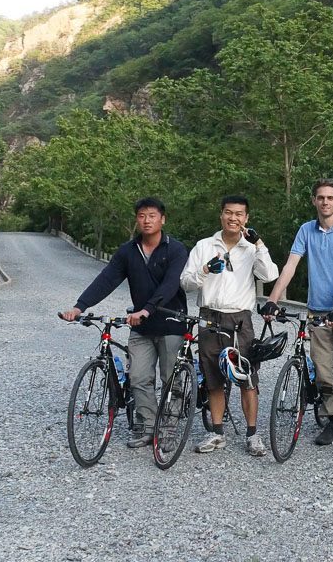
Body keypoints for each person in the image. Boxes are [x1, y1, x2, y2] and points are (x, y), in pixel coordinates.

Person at [60, 198, 188, 448]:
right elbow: (106, 279)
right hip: (141, 327)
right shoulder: (128, 251)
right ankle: (149, 428)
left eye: (152, 215)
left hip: (171, 322)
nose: (147, 220)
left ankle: (169, 430)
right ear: (137, 219)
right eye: (142, 215)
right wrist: (79, 306)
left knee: (170, 378)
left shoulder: (176, 249)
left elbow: (170, 284)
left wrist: (147, 309)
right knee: (139, 378)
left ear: (163, 219)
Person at [262, 178, 333, 448]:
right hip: (317, 311)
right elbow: (290, 265)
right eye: (320, 197)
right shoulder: (306, 230)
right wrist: (273, 300)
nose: (325, 202)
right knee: (324, 372)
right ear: (314, 201)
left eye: (330, 198)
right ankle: (332, 423)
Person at [180, 195, 279, 457]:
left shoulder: (251, 249)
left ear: (246, 219)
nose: (233, 218)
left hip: (240, 319)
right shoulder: (204, 245)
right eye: (228, 212)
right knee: (213, 376)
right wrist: (204, 270)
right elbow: (186, 282)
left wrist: (258, 243)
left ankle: (252, 434)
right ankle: (217, 432)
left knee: (247, 377)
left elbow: (270, 275)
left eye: (239, 214)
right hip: (210, 315)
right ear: (221, 215)